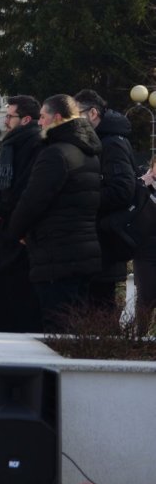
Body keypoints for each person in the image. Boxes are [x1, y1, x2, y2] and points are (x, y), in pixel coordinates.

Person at [4, 95, 102, 330]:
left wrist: (15, 231)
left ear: (56, 118)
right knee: (75, 326)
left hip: (55, 254)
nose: (40, 123)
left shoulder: (54, 153)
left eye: (43, 117)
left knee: (56, 326)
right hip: (83, 251)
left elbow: (33, 200)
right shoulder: (89, 152)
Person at [74, 89, 136, 317]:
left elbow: (122, 189)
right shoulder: (96, 141)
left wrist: (83, 199)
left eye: (75, 114)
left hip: (106, 244)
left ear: (92, 113)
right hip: (96, 243)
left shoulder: (111, 144)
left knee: (101, 313)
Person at [0, 95, 44, 332]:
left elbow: (25, 186)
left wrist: (4, 208)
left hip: (20, 231)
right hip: (6, 225)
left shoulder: (35, 144)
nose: (6, 121)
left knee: (19, 297)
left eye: (10, 116)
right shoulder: (9, 144)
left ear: (26, 119)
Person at [133, 156, 156, 333]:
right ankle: (140, 336)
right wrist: (141, 185)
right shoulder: (141, 183)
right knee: (146, 295)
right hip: (145, 250)